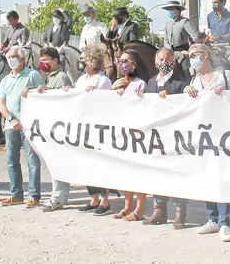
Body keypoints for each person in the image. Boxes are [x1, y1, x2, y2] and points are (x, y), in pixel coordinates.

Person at [183, 43, 230, 242]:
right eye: (190, 56)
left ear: (205, 56)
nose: (192, 59)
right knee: (207, 176)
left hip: (223, 134)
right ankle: (212, 218)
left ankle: (225, 223)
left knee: (221, 178)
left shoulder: (224, 76)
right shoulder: (195, 80)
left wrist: (226, 95)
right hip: (203, 136)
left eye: (195, 55)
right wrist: (187, 90)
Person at [66, 46, 116, 215]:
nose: (81, 62)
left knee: (99, 164)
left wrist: (90, 94)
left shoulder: (103, 80)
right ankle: (93, 198)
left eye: (84, 59)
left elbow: (102, 102)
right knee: (86, 163)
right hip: (83, 126)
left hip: (98, 127)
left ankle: (105, 200)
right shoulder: (81, 80)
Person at [146, 48, 190, 227]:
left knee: (177, 173)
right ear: (156, 62)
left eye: (167, 59)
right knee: (157, 172)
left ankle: (180, 212)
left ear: (173, 60)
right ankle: (159, 210)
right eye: (161, 59)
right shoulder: (150, 83)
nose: (164, 62)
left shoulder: (181, 82)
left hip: (175, 136)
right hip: (156, 137)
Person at [0, 45, 45, 207]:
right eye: (8, 56)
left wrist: (33, 89)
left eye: (13, 56)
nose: (10, 59)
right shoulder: (5, 80)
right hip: (11, 125)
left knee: (32, 160)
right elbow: (1, 104)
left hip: (29, 125)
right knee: (12, 161)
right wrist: (11, 119)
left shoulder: (32, 75)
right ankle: (16, 194)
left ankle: (34, 195)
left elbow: (43, 92)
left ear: (22, 59)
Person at [110, 50, 149, 222]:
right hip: (122, 132)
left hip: (137, 133)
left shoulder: (141, 83)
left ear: (134, 63)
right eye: (120, 61)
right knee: (126, 171)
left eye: (126, 60)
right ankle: (127, 207)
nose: (122, 64)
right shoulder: (117, 83)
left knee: (139, 171)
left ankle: (139, 209)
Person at [38, 48, 74, 212]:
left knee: (59, 162)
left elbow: (62, 102)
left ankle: (58, 197)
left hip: (59, 128)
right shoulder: (50, 78)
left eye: (45, 59)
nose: (42, 63)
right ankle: (59, 195)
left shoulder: (61, 78)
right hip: (52, 127)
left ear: (54, 60)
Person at [205, 0, 230, 73]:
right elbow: (210, 31)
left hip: (226, 47)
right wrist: (204, 42)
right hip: (212, 46)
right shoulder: (210, 16)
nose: (214, 5)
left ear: (223, 3)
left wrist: (219, 37)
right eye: (213, 3)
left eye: (216, 3)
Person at [162, 0, 199, 69]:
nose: (170, 11)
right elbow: (166, 40)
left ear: (178, 11)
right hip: (171, 52)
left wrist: (192, 50)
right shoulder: (168, 24)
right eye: (169, 10)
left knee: (185, 69)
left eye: (172, 9)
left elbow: (195, 36)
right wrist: (169, 50)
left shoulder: (185, 22)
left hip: (183, 51)